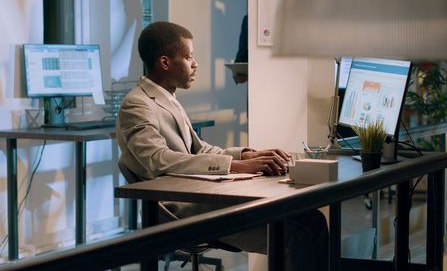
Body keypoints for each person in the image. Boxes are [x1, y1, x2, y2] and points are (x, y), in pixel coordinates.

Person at [116, 21, 328, 271]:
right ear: (165, 62)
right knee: (297, 232)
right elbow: (158, 159)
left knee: (312, 219)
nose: (195, 64)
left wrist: (249, 154)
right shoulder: (137, 104)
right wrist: (237, 166)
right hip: (182, 208)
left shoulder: (167, 98)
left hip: (201, 195)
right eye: (188, 57)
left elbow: (199, 150)